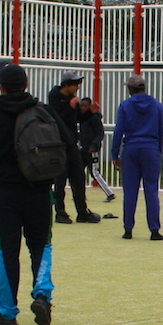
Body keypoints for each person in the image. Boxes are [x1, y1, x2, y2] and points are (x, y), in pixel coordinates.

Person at [0, 62, 73, 325]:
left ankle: (6, 312)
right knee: (41, 246)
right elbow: (69, 145)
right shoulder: (43, 112)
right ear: (26, 85)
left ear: (1, 87)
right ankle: (42, 294)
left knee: (8, 251)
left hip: (5, 193)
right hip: (39, 191)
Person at [111, 73, 163, 241]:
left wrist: (115, 154)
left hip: (131, 148)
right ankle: (154, 230)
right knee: (151, 190)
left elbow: (118, 131)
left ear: (130, 89)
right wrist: (159, 150)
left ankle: (128, 229)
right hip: (151, 148)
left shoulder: (125, 106)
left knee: (130, 191)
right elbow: (161, 131)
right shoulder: (157, 105)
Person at [46, 70, 102, 224]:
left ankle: (82, 212)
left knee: (78, 176)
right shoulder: (54, 98)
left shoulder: (72, 99)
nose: (78, 87)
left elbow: (77, 118)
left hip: (71, 144)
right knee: (60, 179)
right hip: (59, 144)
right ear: (66, 85)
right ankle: (60, 212)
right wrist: (70, 107)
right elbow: (57, 120)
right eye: (75, 84)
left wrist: (91, 113)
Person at [76, 96, 115, 203]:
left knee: (94, 172)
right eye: (81, 106)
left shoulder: (94, 118)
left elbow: (99, 133)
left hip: (92, 150)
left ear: (90, 106)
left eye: (85, 106)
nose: (82, 108)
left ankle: (110, 193)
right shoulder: (82, 119)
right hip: (83, 149)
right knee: (79, 172)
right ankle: (81, 195)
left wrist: (94, 145)